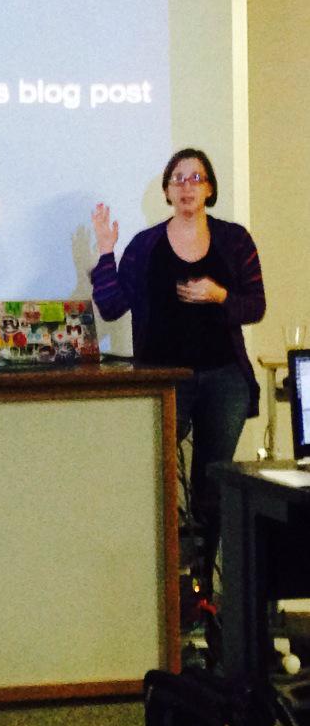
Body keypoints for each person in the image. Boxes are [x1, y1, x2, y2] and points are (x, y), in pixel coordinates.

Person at [90, 147, 265, 598]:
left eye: (196, 178)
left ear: (210, 189)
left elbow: (255, 306)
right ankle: (164, 590)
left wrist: (219, 295)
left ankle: (208, 592)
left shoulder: (234, 240)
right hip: (163, 379)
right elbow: (111, 306)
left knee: (214, 484)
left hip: (223, 378)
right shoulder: (145, 245)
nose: (187, 187)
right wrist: (106, 251)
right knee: (158, 482)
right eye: (178, 179)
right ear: (167, 191)